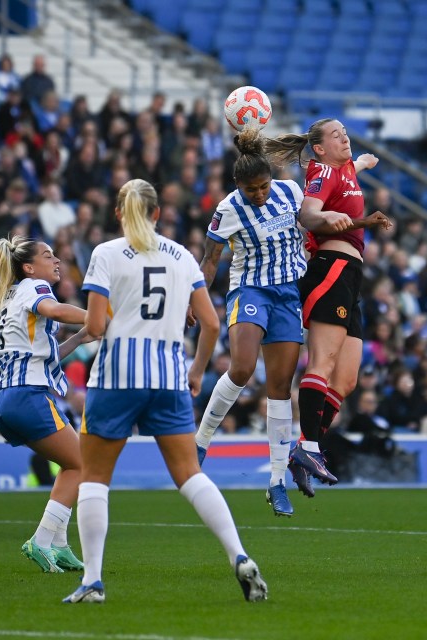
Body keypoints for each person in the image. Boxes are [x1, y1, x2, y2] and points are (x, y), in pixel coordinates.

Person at [64, 179, 267, 604]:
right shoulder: (182, 257)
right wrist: (196, 371)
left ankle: (93, 581)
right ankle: (239, 554)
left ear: (120, 213)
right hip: (169, 377)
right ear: (158, 214)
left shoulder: (105, 254)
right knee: (191, 475)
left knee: (95, 479)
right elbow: (211, 324)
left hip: (116, 378)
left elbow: (97, 327)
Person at [261, 118, 392, 497]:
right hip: (331, 269)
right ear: (319, 148)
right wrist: (325, 219)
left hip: (352, 277)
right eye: (337, 135)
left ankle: (304, 448)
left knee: (347, 379)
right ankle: (311, 449)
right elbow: (308, 213)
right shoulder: (322, 171)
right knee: (322, 364)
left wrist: (364, 162)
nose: (345, 138)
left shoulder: (345, 168)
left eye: (347, 133)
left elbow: (353, 169)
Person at [192, 127, 307, 518]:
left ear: (271, 180)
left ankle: (276, 482)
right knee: (241, 368)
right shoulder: (227, 209)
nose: (258, 195)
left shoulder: (292, 192)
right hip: (251, 290)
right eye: (250, 190)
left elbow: (316, 219)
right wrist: (194, 298)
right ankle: (201, 441)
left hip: (288, 293)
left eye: (263, 187)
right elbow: (209, 261)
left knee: (279, 388)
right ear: (237, 186)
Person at [0, 235, 92, 574]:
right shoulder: (35, 288)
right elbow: (57, 310)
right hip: (25, 395)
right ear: (29, 268)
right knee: (82, 465)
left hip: (1, 399)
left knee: (72, 462)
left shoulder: (9, 298)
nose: (57, 260)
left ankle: (59, 546)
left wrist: (78, 338)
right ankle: (42, 540)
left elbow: (42, 357)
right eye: (49, 256)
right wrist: (100, 317)